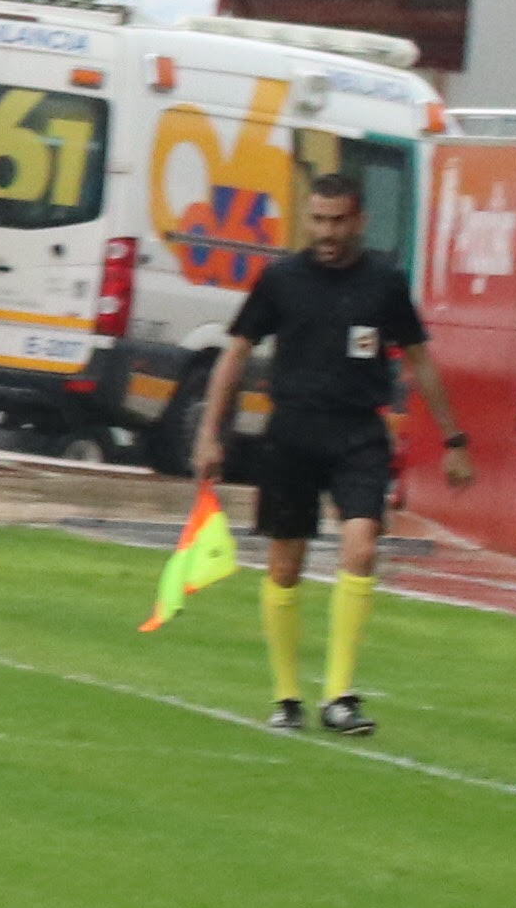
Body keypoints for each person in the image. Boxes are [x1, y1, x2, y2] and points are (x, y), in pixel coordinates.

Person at [195, 161, 471, 737]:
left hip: (358, 435)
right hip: (292, 432)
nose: (325, 233)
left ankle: (340, 695)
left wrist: (452, 438)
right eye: (317, 220)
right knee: (284, 563)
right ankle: (287, 696)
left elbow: (419, 359)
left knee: (362, 546)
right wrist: (209, 432)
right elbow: (237, 353)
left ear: (359, 222)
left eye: (337, 222)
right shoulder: (281, 280)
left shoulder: (385, 284)